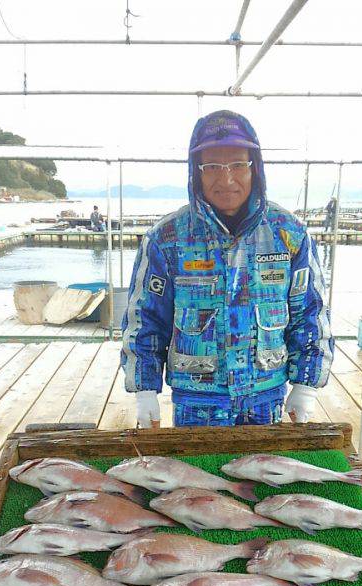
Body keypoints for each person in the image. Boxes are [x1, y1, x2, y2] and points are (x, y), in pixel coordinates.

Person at [121, 110, 334, 429]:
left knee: (265, 479)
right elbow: (145, 319)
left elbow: (310, 313)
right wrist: (145, 390)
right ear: (196, 172)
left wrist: (305, 384)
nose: (226, 179)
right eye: (212, 167)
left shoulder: (288, 234)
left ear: (255, 168)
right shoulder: (166, 239)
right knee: (197, 477)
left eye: (237, 164)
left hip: (266, 397)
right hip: (197, 402)